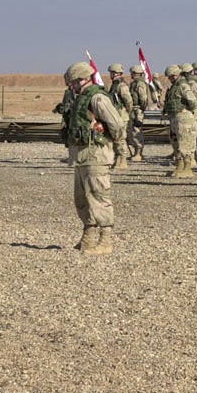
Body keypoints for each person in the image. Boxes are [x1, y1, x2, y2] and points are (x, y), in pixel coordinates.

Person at [63, 61, 125, 255]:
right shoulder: (79, 98)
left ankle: (105, 240)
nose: (71, 86)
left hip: (96, 155)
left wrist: (111, 143)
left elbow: (116, 124)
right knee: (81, 199)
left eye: (73, 82)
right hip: (81, 156)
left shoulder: (97, 98)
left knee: (99, 197)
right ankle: (88, 236)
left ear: (83, 79)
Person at [163, 64, 197, 178]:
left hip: (183, 117)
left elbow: (193, 101)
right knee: (175, 142)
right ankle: (179, 165)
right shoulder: (173, 87)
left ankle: (187, 168)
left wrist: (186, 111)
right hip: (174, 118)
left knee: (185, 143)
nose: (171, 78)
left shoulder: (183, 86)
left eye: (173, 76)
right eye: (170, 76)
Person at [106, 63, 133, 170]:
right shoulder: (114, 85)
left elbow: (128, 100)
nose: (110, 75)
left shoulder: (122, 86)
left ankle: (122, 160)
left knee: (120, 138)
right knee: (116, 138)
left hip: (121, 115)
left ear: (115, 73)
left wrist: (127, 111)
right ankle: (118, 158)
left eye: (112, 73)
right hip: (116, 115)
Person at [127, 65, 152, 161]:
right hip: (135, 109)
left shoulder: (140, 84)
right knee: (133, 131)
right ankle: (136, 152)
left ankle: (139, 153)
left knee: (137, 131)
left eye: (132, 73)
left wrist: (141, 110)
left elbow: (143, 98)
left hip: (137, 110)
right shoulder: (135, 83)